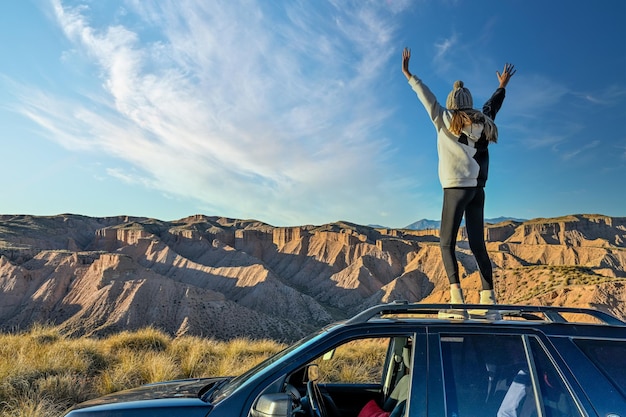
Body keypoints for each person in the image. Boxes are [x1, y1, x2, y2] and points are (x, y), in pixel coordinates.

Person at [401, 48, 515, 314]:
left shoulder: (444, 118)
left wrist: (409, 74)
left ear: (452, 101)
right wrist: (502, 86)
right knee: (477, 245)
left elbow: (425, 96)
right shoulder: (484, 121)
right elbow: (493, 104)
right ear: (469, 101)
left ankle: (457, 302)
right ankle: (489, 302)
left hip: (455, 189)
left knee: (446, 243)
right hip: (478, 191)